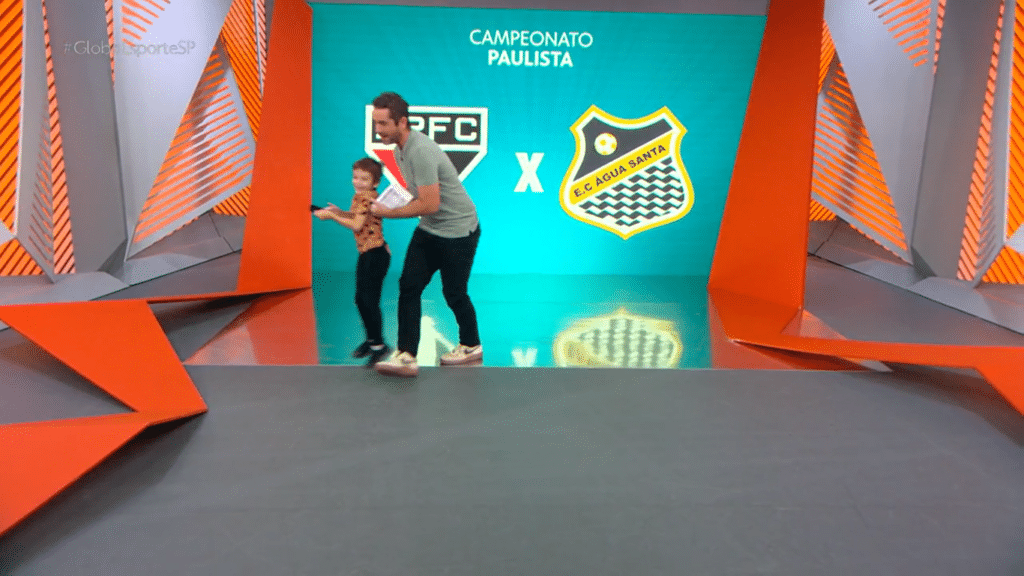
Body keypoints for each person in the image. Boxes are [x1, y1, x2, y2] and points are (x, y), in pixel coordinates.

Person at [369, 91, 482, 377]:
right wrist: (388, 204)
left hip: (458, 231)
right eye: (376, 123)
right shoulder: (400, 150)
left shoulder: (420, 151)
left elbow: (430, 204)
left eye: (383, 124)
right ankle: (406, 355)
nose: (378, 130)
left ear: (402, 122)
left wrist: (388, 213)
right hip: (430, 228)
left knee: (454, 293)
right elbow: (421, 197)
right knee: (409, 286)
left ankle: (471, 345)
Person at [314, 157, 392, 366]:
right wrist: (339, 212)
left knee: (368, 301)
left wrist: (332, 217)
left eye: (364, 179)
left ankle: (379, 346)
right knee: (362, 299)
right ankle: (372, 340)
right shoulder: (361, 197)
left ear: (375, 183)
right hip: (368, 253)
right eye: (355, 177)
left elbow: (357, 225)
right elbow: (358, 217)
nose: (358, 182)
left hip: (375, 254)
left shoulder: (367, 198)